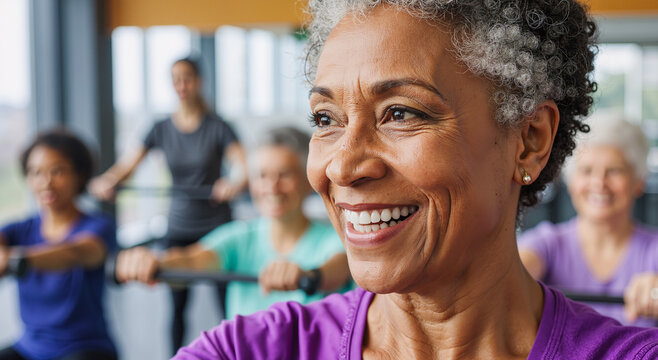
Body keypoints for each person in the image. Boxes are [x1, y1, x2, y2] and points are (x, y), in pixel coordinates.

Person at [174, 0, 658, 359]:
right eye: (326, 119)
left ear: (529, 140)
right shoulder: (252, 349)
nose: (342, 167)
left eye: (400, 113)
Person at [89, 57, 248, 353]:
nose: (181, 85)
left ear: (199, 81)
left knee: (227, 310)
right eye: (175, 79)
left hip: (217, 230)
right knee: (177, 310)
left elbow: (242, 167)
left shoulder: (218, 126)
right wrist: (109, 180)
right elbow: (128, 164)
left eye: (187, 77)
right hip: (178, 227)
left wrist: (233, 184)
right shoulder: (160, 128)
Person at [114, 126, 351, 319]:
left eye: (284, 174)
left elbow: (337, 270)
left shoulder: (335, 240)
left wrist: (307, 275)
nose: (271, 187)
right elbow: (192, 261)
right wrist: (156, 262)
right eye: (262, 175)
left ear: (306, 181)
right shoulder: (238, 237)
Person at [519, 114, 658, 327]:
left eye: (614, 171)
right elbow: (513, 272)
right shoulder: (546, 244)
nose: (599, 183)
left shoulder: (653, 251)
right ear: (571, 182)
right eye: (586, 171)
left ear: (638, 181)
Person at [0, 130, 117, 360]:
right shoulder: (21, 229)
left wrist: (18, 259)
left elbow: (76, 252)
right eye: (35, 172)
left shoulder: (99, 226)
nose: (46, 182)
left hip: (85, 348)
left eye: (57, 171)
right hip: (29, 347)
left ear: (79, 175)